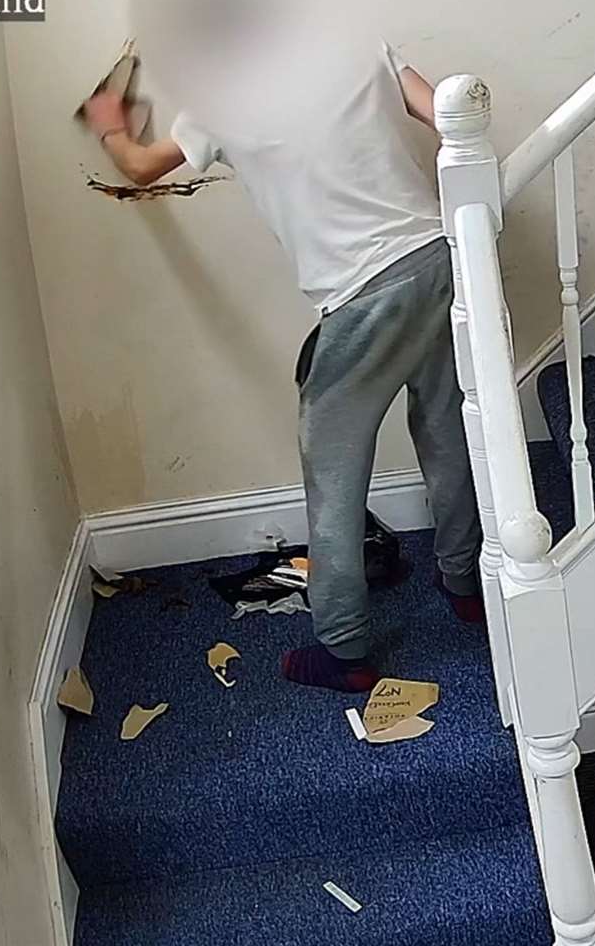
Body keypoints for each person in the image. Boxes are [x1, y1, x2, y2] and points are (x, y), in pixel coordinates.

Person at [82, 40, 484, 693]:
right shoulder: (358, 43)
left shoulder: (217, 103)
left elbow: (140, 167)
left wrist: (108, 123)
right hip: (438, 258)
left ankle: (343, 648)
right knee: (446, 429)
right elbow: (449, 115)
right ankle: (465, 582)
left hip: (361, 298)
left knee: (333, 477)